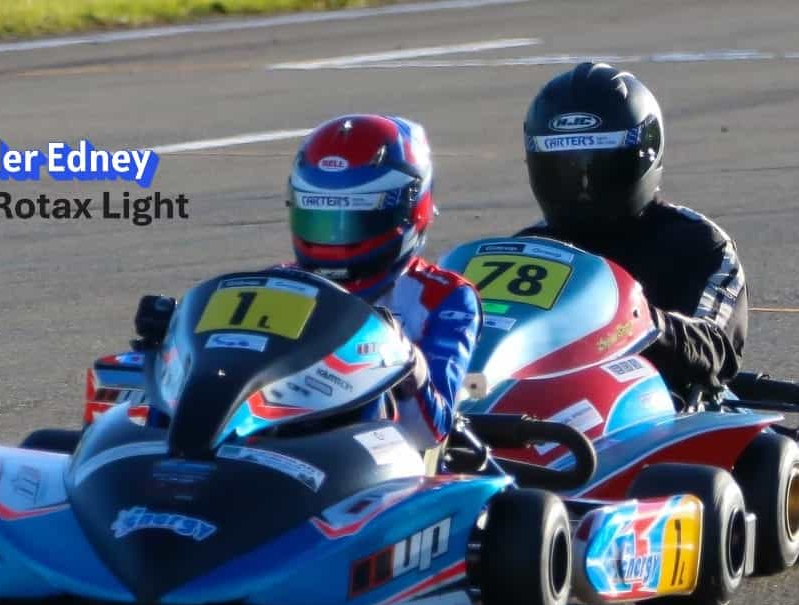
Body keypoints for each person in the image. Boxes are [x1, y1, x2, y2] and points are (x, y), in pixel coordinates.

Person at [517, 62, 747, 394]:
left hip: (651, 412)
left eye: (601, 167)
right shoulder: (529, 248)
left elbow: (715, 348)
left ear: (645, 155)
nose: (583, 187)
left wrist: (635, 321)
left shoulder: (697, 244)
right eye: (561, 170)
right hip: (536, 410)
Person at [285, 114, 482, 451]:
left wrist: (400, 355)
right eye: (320, 219)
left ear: (409, 210)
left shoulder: (445, 298)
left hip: (371, 463)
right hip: (270, 450)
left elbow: (428, 434)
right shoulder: (282, 285)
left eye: (354, 220)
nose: (334, 238)